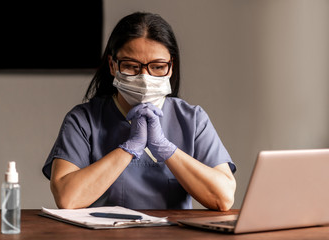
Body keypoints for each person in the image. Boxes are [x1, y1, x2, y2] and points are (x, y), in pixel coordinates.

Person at [42, 12, 236, 211]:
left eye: (158, 67)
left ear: (170, 68)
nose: (144, 77)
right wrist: (129, 148)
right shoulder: (83, 120)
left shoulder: (193, 119)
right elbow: (68, 199)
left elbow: (223, 198)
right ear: (112, 65)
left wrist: (166, 149)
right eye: (131, 66)